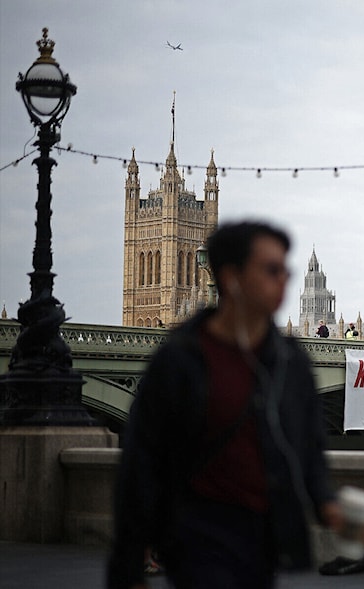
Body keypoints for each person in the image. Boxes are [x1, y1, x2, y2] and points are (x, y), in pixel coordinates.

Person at [107, 221, 349, 589]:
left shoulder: (290, 360)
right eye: (270, 270)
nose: (283, 280)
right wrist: (126, 565)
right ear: (231, 276)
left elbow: (308, 447)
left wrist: (326, 502)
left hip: (264, 539)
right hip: (198, 536)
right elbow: (142, 463)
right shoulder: (179, 360)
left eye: (286, 270)